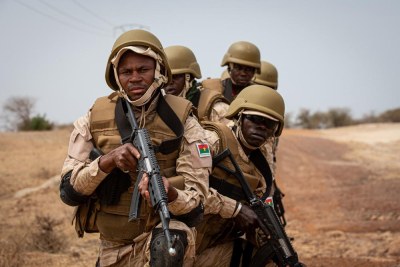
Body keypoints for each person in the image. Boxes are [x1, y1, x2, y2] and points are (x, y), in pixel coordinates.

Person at [59, 29, 212, 267]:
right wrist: (105, 163)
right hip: (114, 244)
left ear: (159, 70)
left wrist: (170, 193)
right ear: (117, 76)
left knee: (168, 248)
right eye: (126, 71)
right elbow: (69, 189)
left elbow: (197, 202)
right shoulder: (94, 117)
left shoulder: (184, 120)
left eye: (143, 70)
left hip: (163, 233)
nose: (135, 78)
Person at [194, 85, 286, 266]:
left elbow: (262, 201)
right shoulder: (211, 141)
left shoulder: (262, 160)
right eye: (254, 119)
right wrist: (236, 210)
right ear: (239, 116)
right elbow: (190, 192)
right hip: (185, 241)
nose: (261, 128)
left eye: (269, 124)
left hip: (216, 244)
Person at [164, 45, 230, 123]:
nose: (170, 82)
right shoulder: (156, 106)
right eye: (166, 77)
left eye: (175, 77)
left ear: (190, 78)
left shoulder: (216, 109)